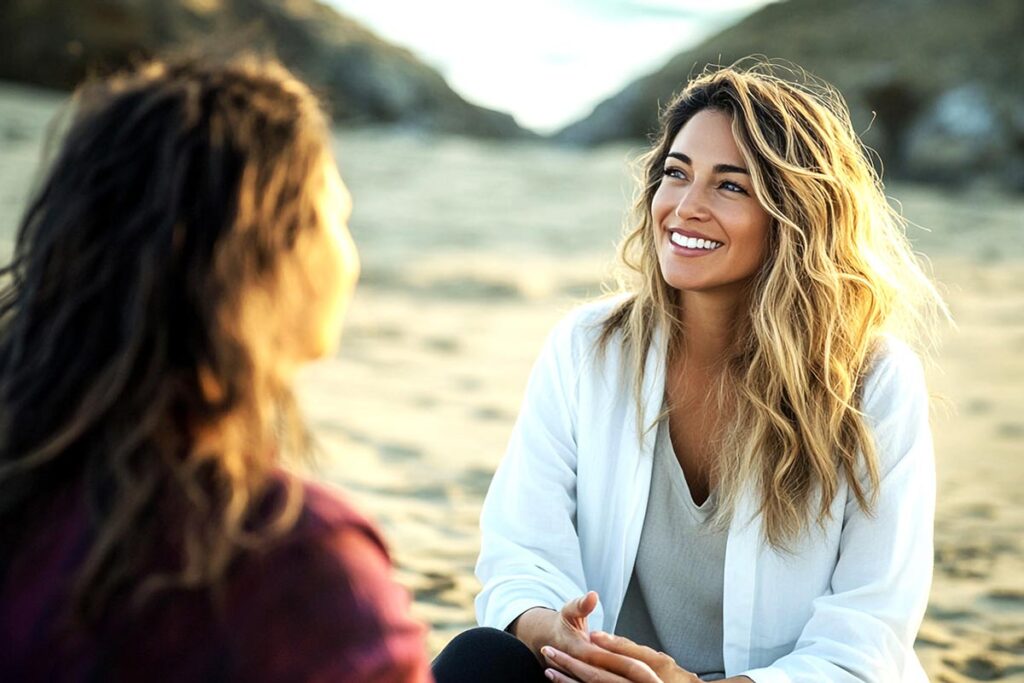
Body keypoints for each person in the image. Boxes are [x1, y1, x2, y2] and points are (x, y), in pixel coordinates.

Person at [433, 63, 946, 682]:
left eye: (730, 186)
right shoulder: (589, 347)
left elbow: (870, 635)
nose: (686, 207)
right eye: (676, 174)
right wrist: (551, 629)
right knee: (478, 658)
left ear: (796, 214)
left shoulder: (871, 381)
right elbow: (521, 549)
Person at [0, 55, 431, 681]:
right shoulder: (299, 565)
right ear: (271, 255)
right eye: (338, 215)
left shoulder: (26, 494)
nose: (349, 254)